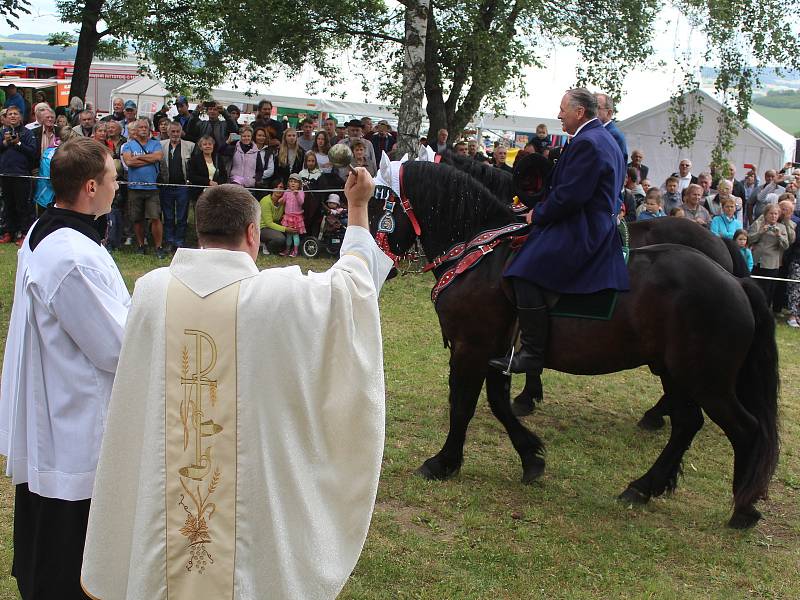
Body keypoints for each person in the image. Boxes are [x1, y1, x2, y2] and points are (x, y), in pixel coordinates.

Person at [80, 168, 392, 599]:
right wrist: (358, 208)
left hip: (169, 495)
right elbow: (354, 288)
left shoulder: (152, 291)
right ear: (252, 232)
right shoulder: (279, 296)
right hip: (251, 495)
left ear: (199, 230)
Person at [0, 137, 131, 599]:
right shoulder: (72, 256)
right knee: (68, 536)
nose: (120, 183)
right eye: (114, 176)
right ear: (91, 186)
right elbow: (116, 347)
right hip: (74, 412)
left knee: (50, 514)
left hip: (57, 398)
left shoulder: (49, 233)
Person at [490, 88, 628, 374]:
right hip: (591, 218)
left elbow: (571, 196)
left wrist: (536, 214)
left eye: (563, 109)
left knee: (523, 271)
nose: (559, 115)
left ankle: (532, 354)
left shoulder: (589, 142)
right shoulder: (602, 137)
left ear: (579, 112)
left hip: (584, 226)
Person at [121, 117, 166, 258]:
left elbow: (158, 157)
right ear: (136, 130)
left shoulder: (156, 143)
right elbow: (128, 162)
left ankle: (158, 246)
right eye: (140, 127)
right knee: (137, 219)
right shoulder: (128, 145)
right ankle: (141, 245)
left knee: (155, 218)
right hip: (134, 187)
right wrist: (148, 159)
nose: (143, 130)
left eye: (145, 127)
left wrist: (138, 159)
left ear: (149, 129)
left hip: (152, 188)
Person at [0, 106, 37, 245]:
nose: (13, 116)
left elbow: (32, 152)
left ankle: (24, 232)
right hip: (5, 174)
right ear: (6, 117)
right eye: (10, 114)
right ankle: (8, 231)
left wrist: (18, 143)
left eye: (15, 114)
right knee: (8, 204)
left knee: (23, 205)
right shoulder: (2, 132)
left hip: (21, 174)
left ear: (20, 117)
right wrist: (5, 142)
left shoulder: (27, 133)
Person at [160, 122, 195, 252]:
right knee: (168, 216)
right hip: (166, 186)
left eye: (177, 131)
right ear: (168, 132)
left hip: (182, 186)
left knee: (182, 216)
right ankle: (169, 241)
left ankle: (179, 241)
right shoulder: (161, 145)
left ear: (181, 132)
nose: (175, 134)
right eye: (173, 131)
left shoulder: (190, 146)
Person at [749, 203, 789, 309]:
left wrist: (779, 235)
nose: (774, 216)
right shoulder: (758, 224)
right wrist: (760, 232)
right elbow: (749, 239)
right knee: (754, 288)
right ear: (766, 214)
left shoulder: (782, 227)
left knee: (767, 292)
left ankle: (764, 311)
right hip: (756, 262)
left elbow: (786, 246)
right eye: (771, 213)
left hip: (771, 264)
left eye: (776, 214)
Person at [259, 180, 293, 253]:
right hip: (263, 228)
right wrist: (286, 229)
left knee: (291, 234)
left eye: (281, 187)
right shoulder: (266, 201)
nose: (279, 189)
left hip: (275, 225)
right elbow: (269, 223)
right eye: (276, 187)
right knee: (280, 239)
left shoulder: (283, 201)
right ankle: (266, 246)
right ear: (272, 189)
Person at [595, 93, 627, 163]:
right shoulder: (598, 131)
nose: (593, 111)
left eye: (597, 108)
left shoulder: (614, 135)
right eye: (592, 107)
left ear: (609, 113)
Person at [280, 173, 305, 256]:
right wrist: (281, 200)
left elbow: (301, 202)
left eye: (295, 182)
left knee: (295, 234)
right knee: (289, 234)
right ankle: (287, 250)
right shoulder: (287, 191)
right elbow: (284, 200)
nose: (293, 183)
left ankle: (295, 250)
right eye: (291, 181)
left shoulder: (300, 192)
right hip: (288, 216)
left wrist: (296, 194)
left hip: (296, 217)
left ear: (299, 184)